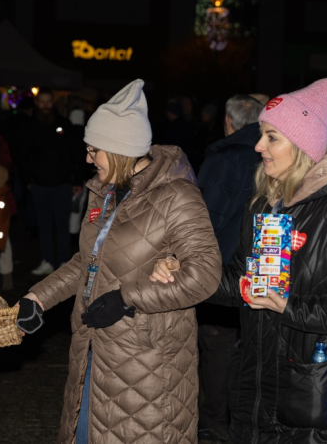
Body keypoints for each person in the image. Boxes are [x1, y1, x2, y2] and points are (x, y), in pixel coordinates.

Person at [151, 78, 327, 443]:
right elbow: (242, 280)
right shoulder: (265, 206)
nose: (258, 146)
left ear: (301, 146)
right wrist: (185, 274)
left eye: (271, 137)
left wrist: (290, 306)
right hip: (260, 392)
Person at [17, 79, 222, 443]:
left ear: (120, 150)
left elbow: (205, 274)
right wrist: (37, 298)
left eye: (94, 150)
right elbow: (86, 262)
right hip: (93, 350)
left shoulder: (176, 195)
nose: (87, 159)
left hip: (147, 366)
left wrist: (126, 298)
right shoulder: (106, 192)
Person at [195, 94, 263, 443]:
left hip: (221, 264)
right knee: (245, 344)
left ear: (228, 121)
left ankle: (215, 421)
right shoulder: (268, 155)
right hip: (256, 265)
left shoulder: (224, 158)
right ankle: (239, 418)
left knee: (217, 344)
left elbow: (206, 216)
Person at [21, 88, 84, 276]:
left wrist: (77, 180)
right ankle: (47, 261)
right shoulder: (29, 126)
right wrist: (27, 181)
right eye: (42, 102)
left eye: (49, 101)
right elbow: (23, 155)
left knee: (62, 226)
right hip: (38, 186)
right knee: (44, 226)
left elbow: (76, 154)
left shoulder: (64, 125)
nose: (45, 105)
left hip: (62, 185)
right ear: (37, 103)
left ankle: (64, 262)